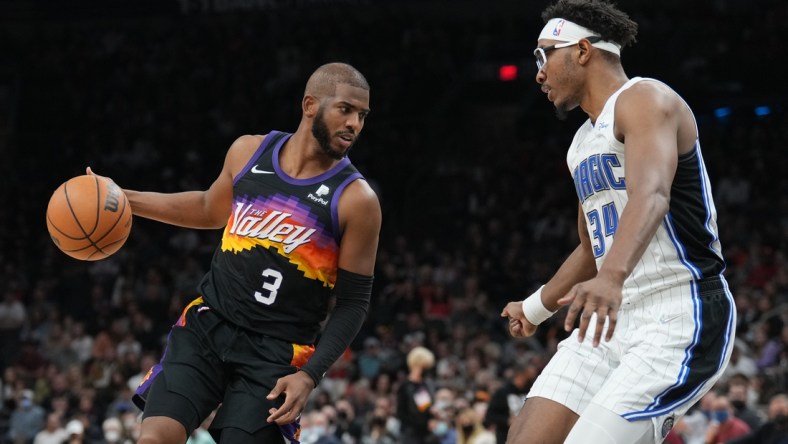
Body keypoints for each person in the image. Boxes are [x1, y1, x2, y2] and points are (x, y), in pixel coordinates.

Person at [90, 62, 381, 443]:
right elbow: (210, 209)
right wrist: (124, 198)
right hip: (210, 324)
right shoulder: (248, 151)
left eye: (362, 115)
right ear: (310, 105)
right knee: (155, 437)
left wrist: (311, 375)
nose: (354, 124)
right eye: (345, 109)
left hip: (277, 352)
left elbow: (354, 303)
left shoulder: (357, 200)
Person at [500, 1, 736, 443]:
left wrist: (611, 277)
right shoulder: (581, 143)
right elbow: (593, 247)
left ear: (583, 50)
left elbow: (652, 195)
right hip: (609, 316)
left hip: (679, 309)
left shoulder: (645, 98)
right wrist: (536, 307)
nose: (537, 73)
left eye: (542, 55)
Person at [396, 346, 437, 444]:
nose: (426, 370)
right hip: (410, 434)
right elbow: (400, 413)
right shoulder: (405, 387)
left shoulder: (426, 385)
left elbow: (425, 407)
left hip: (426, 434)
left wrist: (432, 416)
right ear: (415, 365)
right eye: (424, 367)